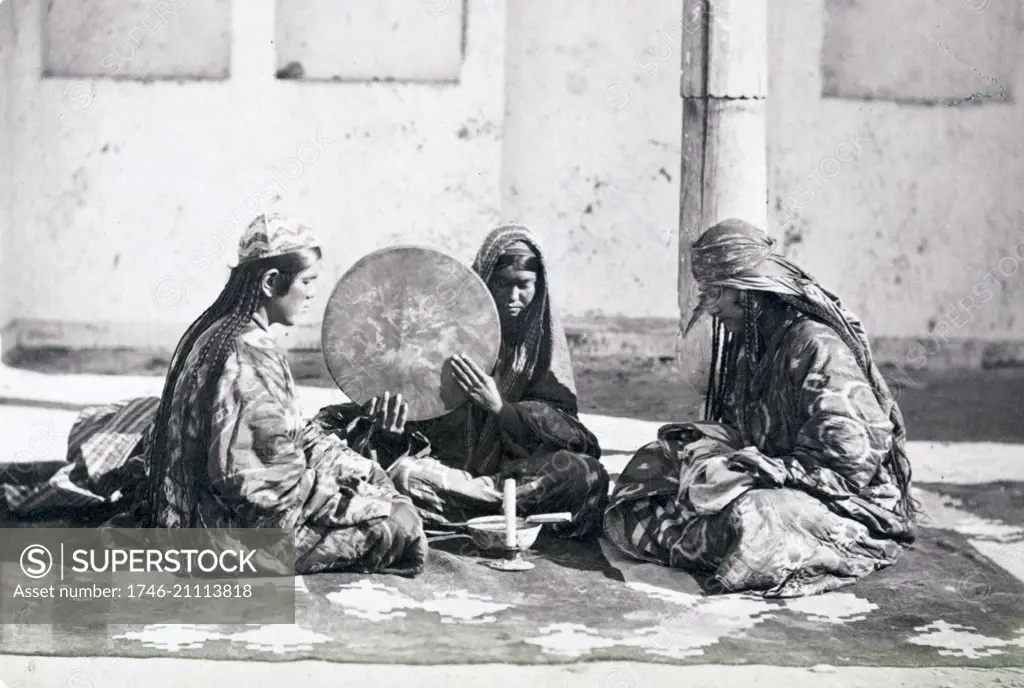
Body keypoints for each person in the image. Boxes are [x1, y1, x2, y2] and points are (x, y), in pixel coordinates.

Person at [2, 214, 427, 577]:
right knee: (400, 522)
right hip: (219, 540)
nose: (313, 293)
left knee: (359, 468)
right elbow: (264, 495)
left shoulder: (214, 331)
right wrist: (349, 501)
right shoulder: (249, 360)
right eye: (307, 281)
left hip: (183, 513)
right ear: (270, 281)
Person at [603, 218, 917, 597]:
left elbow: (853, 458)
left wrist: (776, 470)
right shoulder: (751, 345)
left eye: (716, 293)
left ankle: (729, 542)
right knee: (655, 461)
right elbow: (741, 429)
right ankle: (719, 537)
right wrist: (713, 453)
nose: (710, 308)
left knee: (756, 516)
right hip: (764, 475)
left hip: (837, 498)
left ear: (749, 293)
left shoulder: (816, 345)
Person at [314, 224, 609, 538]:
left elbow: (577, 438)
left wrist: (503, 409)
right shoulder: (440, 335)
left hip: (514, 475)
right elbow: (417, 420)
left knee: (586, 473)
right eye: (501, 283)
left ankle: (474, 511)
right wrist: (392, 433)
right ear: (482, 280)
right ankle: (511, 515)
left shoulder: (542, 348)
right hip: (448, 471)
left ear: (539, 286)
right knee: (405, 474)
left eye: (524, 284)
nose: (513, 296)